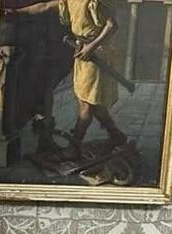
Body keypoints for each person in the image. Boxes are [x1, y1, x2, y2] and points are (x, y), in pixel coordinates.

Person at [10, 0, 127, 158]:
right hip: (82, 52)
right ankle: (116, 135)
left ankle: (74, 146)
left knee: (86, 104)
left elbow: (112, 25)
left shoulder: (94, 2)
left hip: (96, 55)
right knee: (92, 101)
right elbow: (44, 6)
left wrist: (91, 47)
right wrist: (17, 12)